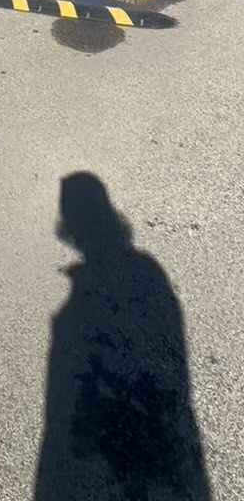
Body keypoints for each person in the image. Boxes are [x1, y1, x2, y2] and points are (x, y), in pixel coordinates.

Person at [35, 173, 211, 500]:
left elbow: (76, 386)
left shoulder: (104, 288)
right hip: (156, 448)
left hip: (114, 453)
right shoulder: (145, 275)